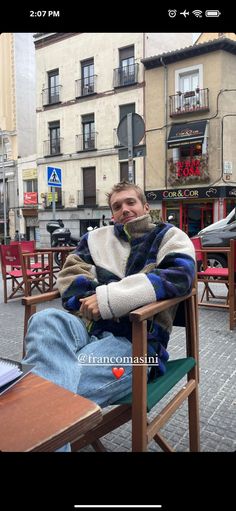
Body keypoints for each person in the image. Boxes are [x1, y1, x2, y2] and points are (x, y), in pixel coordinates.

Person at [23, 181, 195, 439]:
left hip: (137, 341)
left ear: (145, 207)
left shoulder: (170, 236)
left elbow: (180, 276)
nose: (124, 209)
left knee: (46, 394)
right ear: (112, 214)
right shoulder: (94, 239)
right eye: (117, 206)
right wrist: (98, 300)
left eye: (130, 202)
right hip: (85, 326)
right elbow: (69, 278)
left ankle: (27, 424)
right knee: (45, 319)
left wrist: (108, 299)